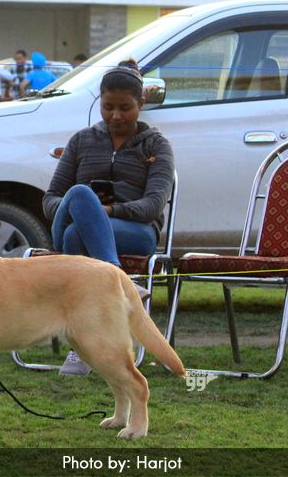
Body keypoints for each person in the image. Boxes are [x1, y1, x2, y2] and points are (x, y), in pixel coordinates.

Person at [42, 59, 174, 376]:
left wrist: (111, 211)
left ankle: (81, 349)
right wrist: (81, 207)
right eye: (108, 107)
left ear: (141, 104)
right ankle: (120, 283)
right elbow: (50, 199)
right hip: (69, 224)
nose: (115, 116)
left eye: (125, 108)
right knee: (80, 194)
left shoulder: (156, 145)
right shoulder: (81, 141)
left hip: (136, 232)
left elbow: (154, 205)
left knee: (76, 236)